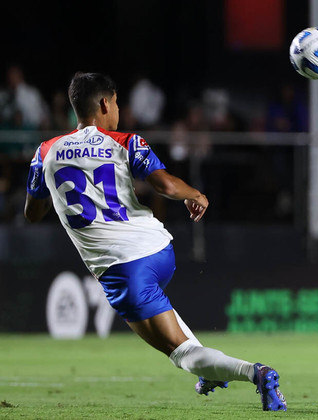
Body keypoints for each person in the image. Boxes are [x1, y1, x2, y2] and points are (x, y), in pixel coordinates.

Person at [24, 72, 287, 412]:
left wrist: (46, 188)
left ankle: (256, 373)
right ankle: (210, 371)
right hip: (159, 248)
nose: (117, 109)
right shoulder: (125, 141)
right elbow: (165, 185)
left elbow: (33, 214)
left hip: (123, 269)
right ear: (105, 103)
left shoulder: (46, 152)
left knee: (183, 354)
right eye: (116, 103)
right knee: (168, 318)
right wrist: (196, 194)